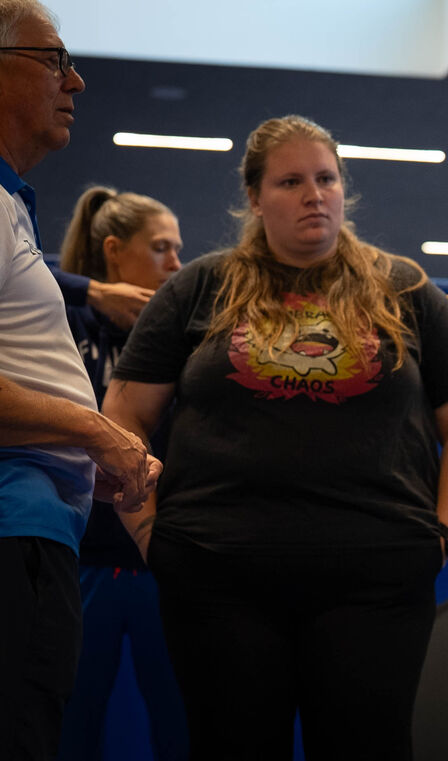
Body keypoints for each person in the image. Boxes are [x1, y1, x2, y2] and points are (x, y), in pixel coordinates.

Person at [102, 114, 448, 761]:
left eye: (326, 178)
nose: (315, 194)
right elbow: (123, 412)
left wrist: (444, 534)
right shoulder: (197, 287)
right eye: (290, 181)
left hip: (375, 581)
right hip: (218, 577)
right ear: (254, 197)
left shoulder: (406, 288)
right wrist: (146, 529)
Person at [0, 2, 160, 759]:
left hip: (38, 534)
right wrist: (93, 430)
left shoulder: (11, 210)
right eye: (56, 59)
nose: (79, 80)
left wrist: (77, 453)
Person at [55, 186, 188, 761]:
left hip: (163, 559)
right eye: (162, 248)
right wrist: (92, 291)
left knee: (182, 726)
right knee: (68, 724)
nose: (177, 264)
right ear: (114, 250)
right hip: (79, 559)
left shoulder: (182, 331)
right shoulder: (62, 316)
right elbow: (17, 277)